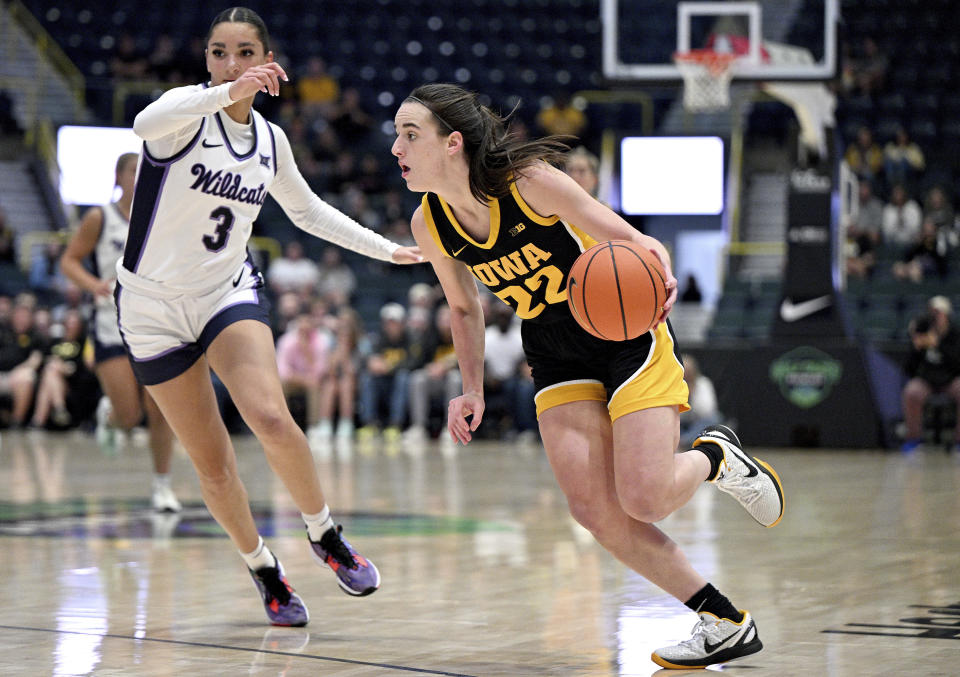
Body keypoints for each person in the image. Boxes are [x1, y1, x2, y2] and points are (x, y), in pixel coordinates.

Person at [391, 83, 784, 669]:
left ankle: (716, 457)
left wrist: (662, 271)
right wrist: (470, 388)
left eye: (409, 134)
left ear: (453, 143)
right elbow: (465, 307)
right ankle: (723, 620)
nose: (396, 147)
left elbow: (631, 239)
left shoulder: (528, 183)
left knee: (644, 497)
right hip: (553, 352)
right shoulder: (431, 223)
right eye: (396, 134)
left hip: (623, 334)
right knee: (595, 511)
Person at [117, 8, 421, 627]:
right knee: (212, 463)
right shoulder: (181, 121)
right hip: (149, 308)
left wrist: (387, 249)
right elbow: (142, 121)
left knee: (270, 415)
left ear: (266, 58)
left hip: (224, 293)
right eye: (221, 52)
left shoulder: (271, 142)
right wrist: (222, 94)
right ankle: (264, 570)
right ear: (208, 60)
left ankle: (324, 532)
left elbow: (310, 214)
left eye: (246, 52)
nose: (233, 63)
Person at [60, 152, 182, 511]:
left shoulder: (159, 217)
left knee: (160, 409)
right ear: (118, 177)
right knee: (129, 416)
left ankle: (162, 486)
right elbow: (69, 260)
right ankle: (110, 414)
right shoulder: (100, 217)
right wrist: (93, 284)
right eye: (132, 170)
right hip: (110, 324)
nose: (138, 176)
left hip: (155, 323)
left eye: (144, 171)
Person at [901, 299, 960, 452]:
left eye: (939, 313)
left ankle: (958, 441)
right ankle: (914, 439)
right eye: (933, 313)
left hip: (950, 380)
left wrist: (938, 345)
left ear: (946, 315)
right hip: (927, 380)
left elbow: (957, 364)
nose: (936, 317)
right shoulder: (923, 331)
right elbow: (908, 368)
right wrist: (916, 348)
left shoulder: (955, 334)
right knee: (912, 392)